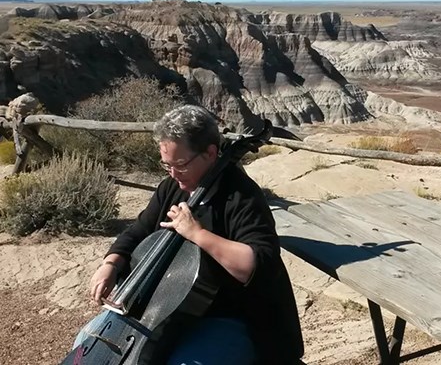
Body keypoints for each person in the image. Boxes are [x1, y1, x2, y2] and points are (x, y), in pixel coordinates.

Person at [89, 104, 304, 364]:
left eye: (180, 164)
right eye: (166, 165)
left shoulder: (241, 196)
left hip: (229, 317)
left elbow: (257, 263)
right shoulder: (171, 188)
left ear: (210, 153)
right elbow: (136, 232)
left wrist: (197, 234)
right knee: (85, 342)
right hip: (163, 314)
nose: (172, 173)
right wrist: (111, 263)